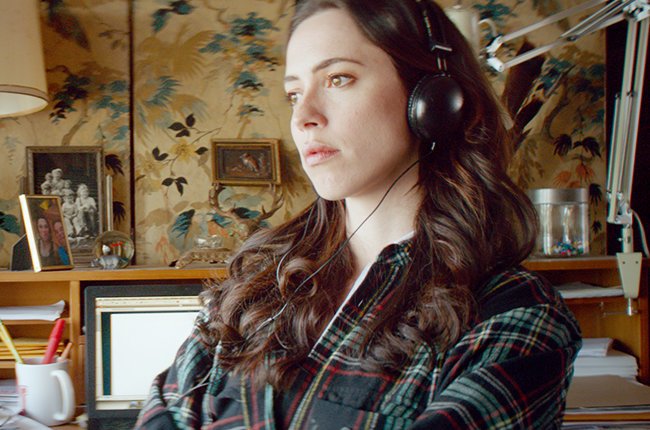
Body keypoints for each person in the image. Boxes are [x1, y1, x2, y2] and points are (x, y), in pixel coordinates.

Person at [136, 0, 581, 428]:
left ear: (432, 98)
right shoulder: (257, 284)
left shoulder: (514, 316)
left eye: (338, 79)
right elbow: (164, 408)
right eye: (294, 93)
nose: (303, 117)